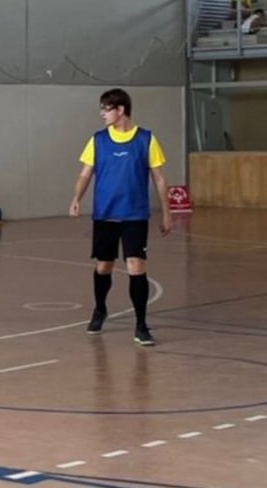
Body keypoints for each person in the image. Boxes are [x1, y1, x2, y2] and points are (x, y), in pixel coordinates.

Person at [69, 88, 172, 347]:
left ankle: (141, 325)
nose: (102, 114)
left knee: (136, 266)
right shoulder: (98, 140)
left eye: (106, 109)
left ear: (120, 110)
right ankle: (100, 309)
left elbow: (159, 179)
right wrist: (76, 198)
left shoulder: (146, 139)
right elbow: (85, 173)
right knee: (104, 266)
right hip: (105, 215)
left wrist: (167, 212)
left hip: (135, 215)